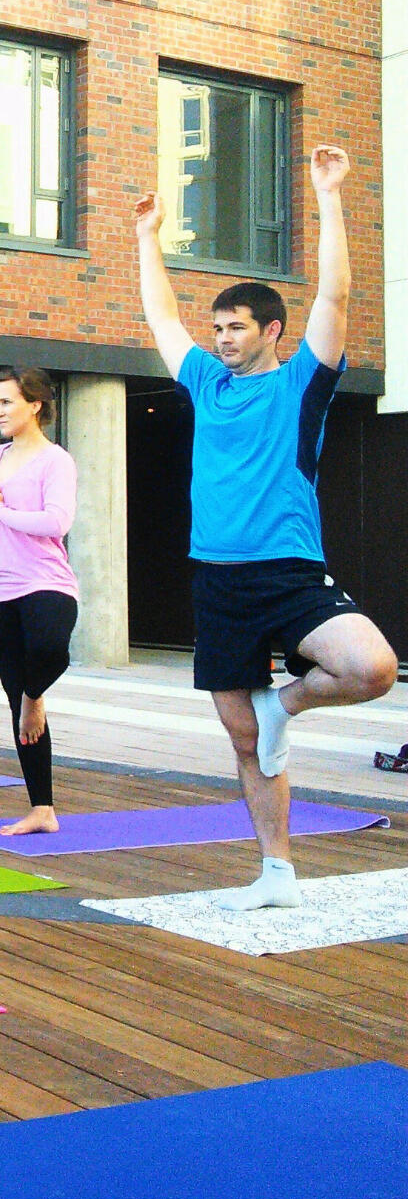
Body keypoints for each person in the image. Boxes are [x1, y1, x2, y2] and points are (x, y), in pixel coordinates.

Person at [135, 146, 397, 910]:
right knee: (245, 739)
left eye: (236, 328)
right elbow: (161, 317)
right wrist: (148, 240)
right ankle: (276, 871)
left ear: (272, 330)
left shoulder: (301, 385)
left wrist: (329, 195)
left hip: (290, 571)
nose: (221, 338)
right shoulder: (204, 383)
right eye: (216, 327)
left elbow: (336, 296)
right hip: (217, 580)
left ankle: (286, 705)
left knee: (372, 667)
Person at [0, 368, 78, 836]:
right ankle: (42, 808)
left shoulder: (55, 461)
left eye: (7, 402)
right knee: (16, 704)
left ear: (35, 405)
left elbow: (56, 522)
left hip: (46, 582)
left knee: (49, 652)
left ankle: (34, 694)